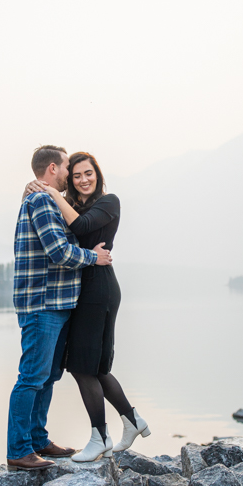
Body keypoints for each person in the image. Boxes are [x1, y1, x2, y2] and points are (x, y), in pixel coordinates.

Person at [25, 152, 149, 463]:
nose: (82, 179)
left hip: (100, 288)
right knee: (93, 366)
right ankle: (132, 421)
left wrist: (52, 191)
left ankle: (100, 436)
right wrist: (34, 190)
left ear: (98, 174)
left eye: (88, 173)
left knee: (82, 367)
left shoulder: (109, 202)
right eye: (77, 174)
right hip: (82, 290)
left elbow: (81, 227)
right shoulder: (72, 203)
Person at [7, 145, 113, 471]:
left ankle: (38, 439)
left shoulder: (49, 198)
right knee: (32, 377)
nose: (70, 173)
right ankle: (19, 450)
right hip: (43, 304)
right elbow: (59, 252)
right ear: (53, 168)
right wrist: (95, 258)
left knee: (48, 376)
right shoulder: (40, 200)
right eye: (67, 167)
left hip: (58, 303)